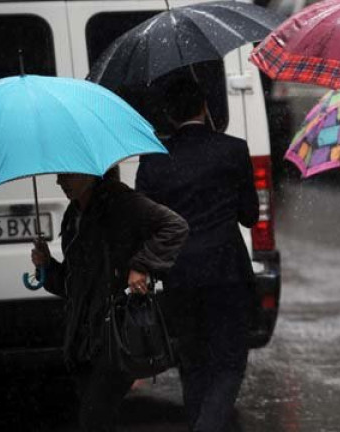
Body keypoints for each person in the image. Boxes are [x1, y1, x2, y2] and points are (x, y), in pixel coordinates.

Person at [135, 77, 258, 432]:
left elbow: (146, 223)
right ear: (205, 108)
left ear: (169, 117)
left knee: (193, 362)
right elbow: (249, 215)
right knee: (230, 362)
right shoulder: (232, 149)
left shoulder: (154, 161)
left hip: (179, 275)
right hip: (226, 271)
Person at [30, 168, 188, 432]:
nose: (59, 182)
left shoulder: (121, 202)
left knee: (93, 418)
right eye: (58, 175)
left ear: (89, 173)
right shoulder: (73, 215)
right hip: (83, 339)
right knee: (98, 418)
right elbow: (73, 284)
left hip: (114, 333)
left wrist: (142, 265)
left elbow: (174, 226)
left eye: (67, 175)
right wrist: (47, 266)